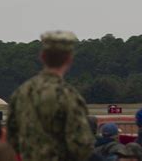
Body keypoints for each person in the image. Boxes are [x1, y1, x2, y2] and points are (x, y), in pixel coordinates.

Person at [7, 30, 94, 161]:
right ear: (69, 59)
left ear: (42, 57)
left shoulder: (21, 92)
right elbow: (81, 145)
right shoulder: (68, 96)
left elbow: (12, 138)